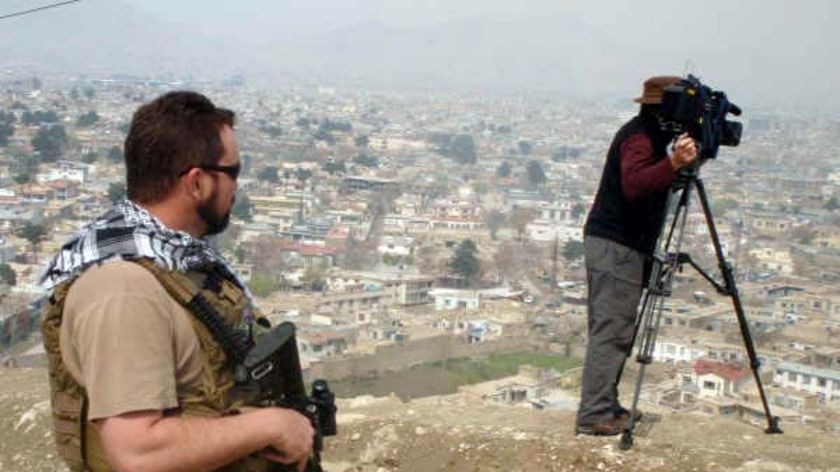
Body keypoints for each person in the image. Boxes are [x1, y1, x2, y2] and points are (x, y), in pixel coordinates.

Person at [40, 91, 315, 471]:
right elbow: (137, 453)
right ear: (197, 183)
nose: (237, 186)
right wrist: (270, 425)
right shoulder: (123, 290)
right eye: (232, 172)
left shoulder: (182, 263)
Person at [575, 76, 699, 436]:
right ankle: (594, 415)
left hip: (624, 246)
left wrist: (681, 162)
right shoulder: (640, 137)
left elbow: (657, 182)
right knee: (610, 331)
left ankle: (607, 407)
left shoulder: (653, 137)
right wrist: (674, 162)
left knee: (618, 330)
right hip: (616, 246)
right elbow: (634, 184)